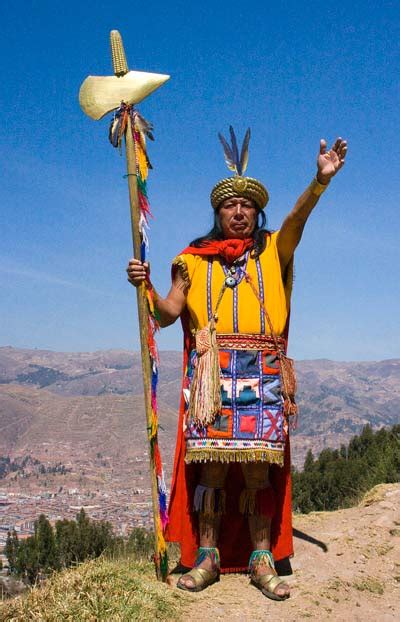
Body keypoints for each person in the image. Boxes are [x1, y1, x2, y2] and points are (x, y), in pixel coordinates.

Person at [127, 130, 347, 600]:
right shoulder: (190, 260)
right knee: (208, 469)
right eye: (231, 206)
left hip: (262, 368)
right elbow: (169, 314)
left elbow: (296, 220)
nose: (240, 212)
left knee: (256, 470)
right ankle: (206, 558)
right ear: (218, 212)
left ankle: (262, 558)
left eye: (248, 206)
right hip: (211, 373)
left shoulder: (273, 250)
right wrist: (144, 289)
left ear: (257, 212)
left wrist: (319, 181)